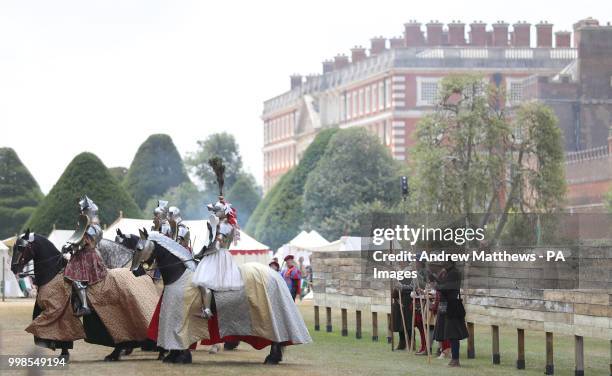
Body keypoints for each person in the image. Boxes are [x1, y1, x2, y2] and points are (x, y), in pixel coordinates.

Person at [192, 158, 243, 319]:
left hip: (218, 255)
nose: (213, 213)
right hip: (217, 254)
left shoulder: (225, 226)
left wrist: (202, 253)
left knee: (203, 281)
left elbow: (217, 243)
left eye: (216, 211)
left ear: (223, 213)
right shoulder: (220, 224)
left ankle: (207, 310)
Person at [62, 196, 107, 317]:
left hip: (86, 256)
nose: (82, 213)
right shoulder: (89, 226)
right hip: (86, 254)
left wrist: (70, 248)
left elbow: (82, 243)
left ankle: (84, 306)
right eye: (81, 211)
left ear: (89, 212)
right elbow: (76, 238)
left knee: (77, 280)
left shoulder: (92, 228)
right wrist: (69, 246)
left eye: (84, 211)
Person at [432, 260, 468, 367]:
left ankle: (455, 359)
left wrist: (436, 286)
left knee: (453, 334)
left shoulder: (454, 273)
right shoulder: (448, 273)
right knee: (448, 332)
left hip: (452, 306)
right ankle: (453, 358)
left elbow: (447, 288)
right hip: (446, 305)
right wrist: (435, 279)